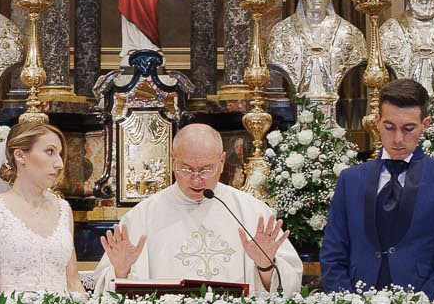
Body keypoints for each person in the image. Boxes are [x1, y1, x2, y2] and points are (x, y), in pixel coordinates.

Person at [96, 124, 303, 295]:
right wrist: (122, 269)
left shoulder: (252, 213)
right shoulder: (142, 216)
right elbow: (108, 290)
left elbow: (289, 287)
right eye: (186, 169)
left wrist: (265, 266)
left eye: (206, 169)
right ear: (172, 159)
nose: (196, 179)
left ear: (222, 162)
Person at [318, 78, 434, 299]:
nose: (398, 139)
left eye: (408, 128)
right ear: (377, 122)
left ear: (425, 125)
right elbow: (333, 253)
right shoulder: (349, 179)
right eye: (390, 127)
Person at [0, 121, 85, 293]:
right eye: (49, 152)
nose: (59, 163)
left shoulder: (63, 209)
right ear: (20, 156)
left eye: (59, 154)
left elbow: (73, 281)